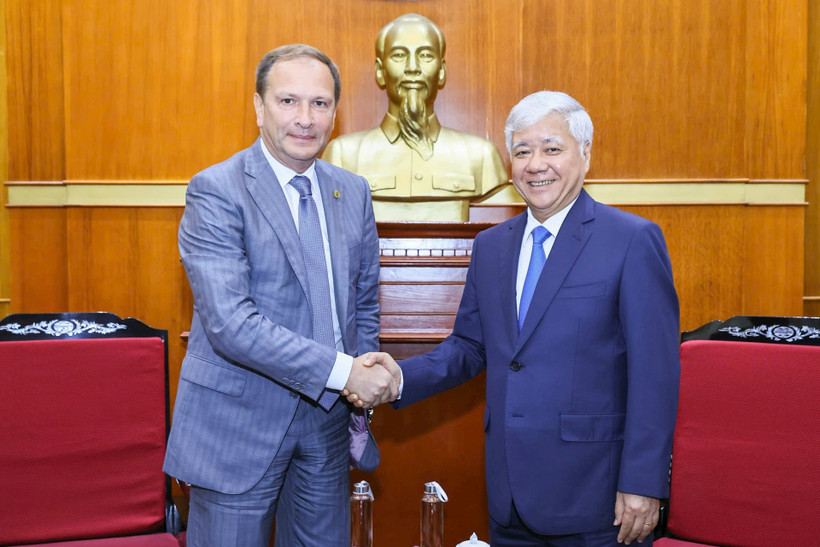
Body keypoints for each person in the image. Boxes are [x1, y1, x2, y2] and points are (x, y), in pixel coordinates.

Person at [354, 91, 680, 545]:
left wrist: (644, 483)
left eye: (552, 148)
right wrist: (397, 379)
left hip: (599, 498)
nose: (535, 164)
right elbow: (469, 348)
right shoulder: (492, 246)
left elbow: (655, 374)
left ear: (585, 153)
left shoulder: (631, 240)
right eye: (522, 151)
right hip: (509, 497)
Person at [163, 44, 400, 547]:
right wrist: (345, 372)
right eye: (288, 101)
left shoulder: (351, 190)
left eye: (319, 103)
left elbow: (361, 302)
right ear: (258, 106)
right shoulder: (216, 190)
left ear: (335, 111)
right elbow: (232, 324)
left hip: (327, 426)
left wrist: (364, 374)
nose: (305, 119)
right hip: (237, 427)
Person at [323, 13, 508, 222]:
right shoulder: (343, 155)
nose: (413, 67)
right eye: (399, 55)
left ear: (441, 72)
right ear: (380, 71)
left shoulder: (481, 156)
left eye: (426, 55)